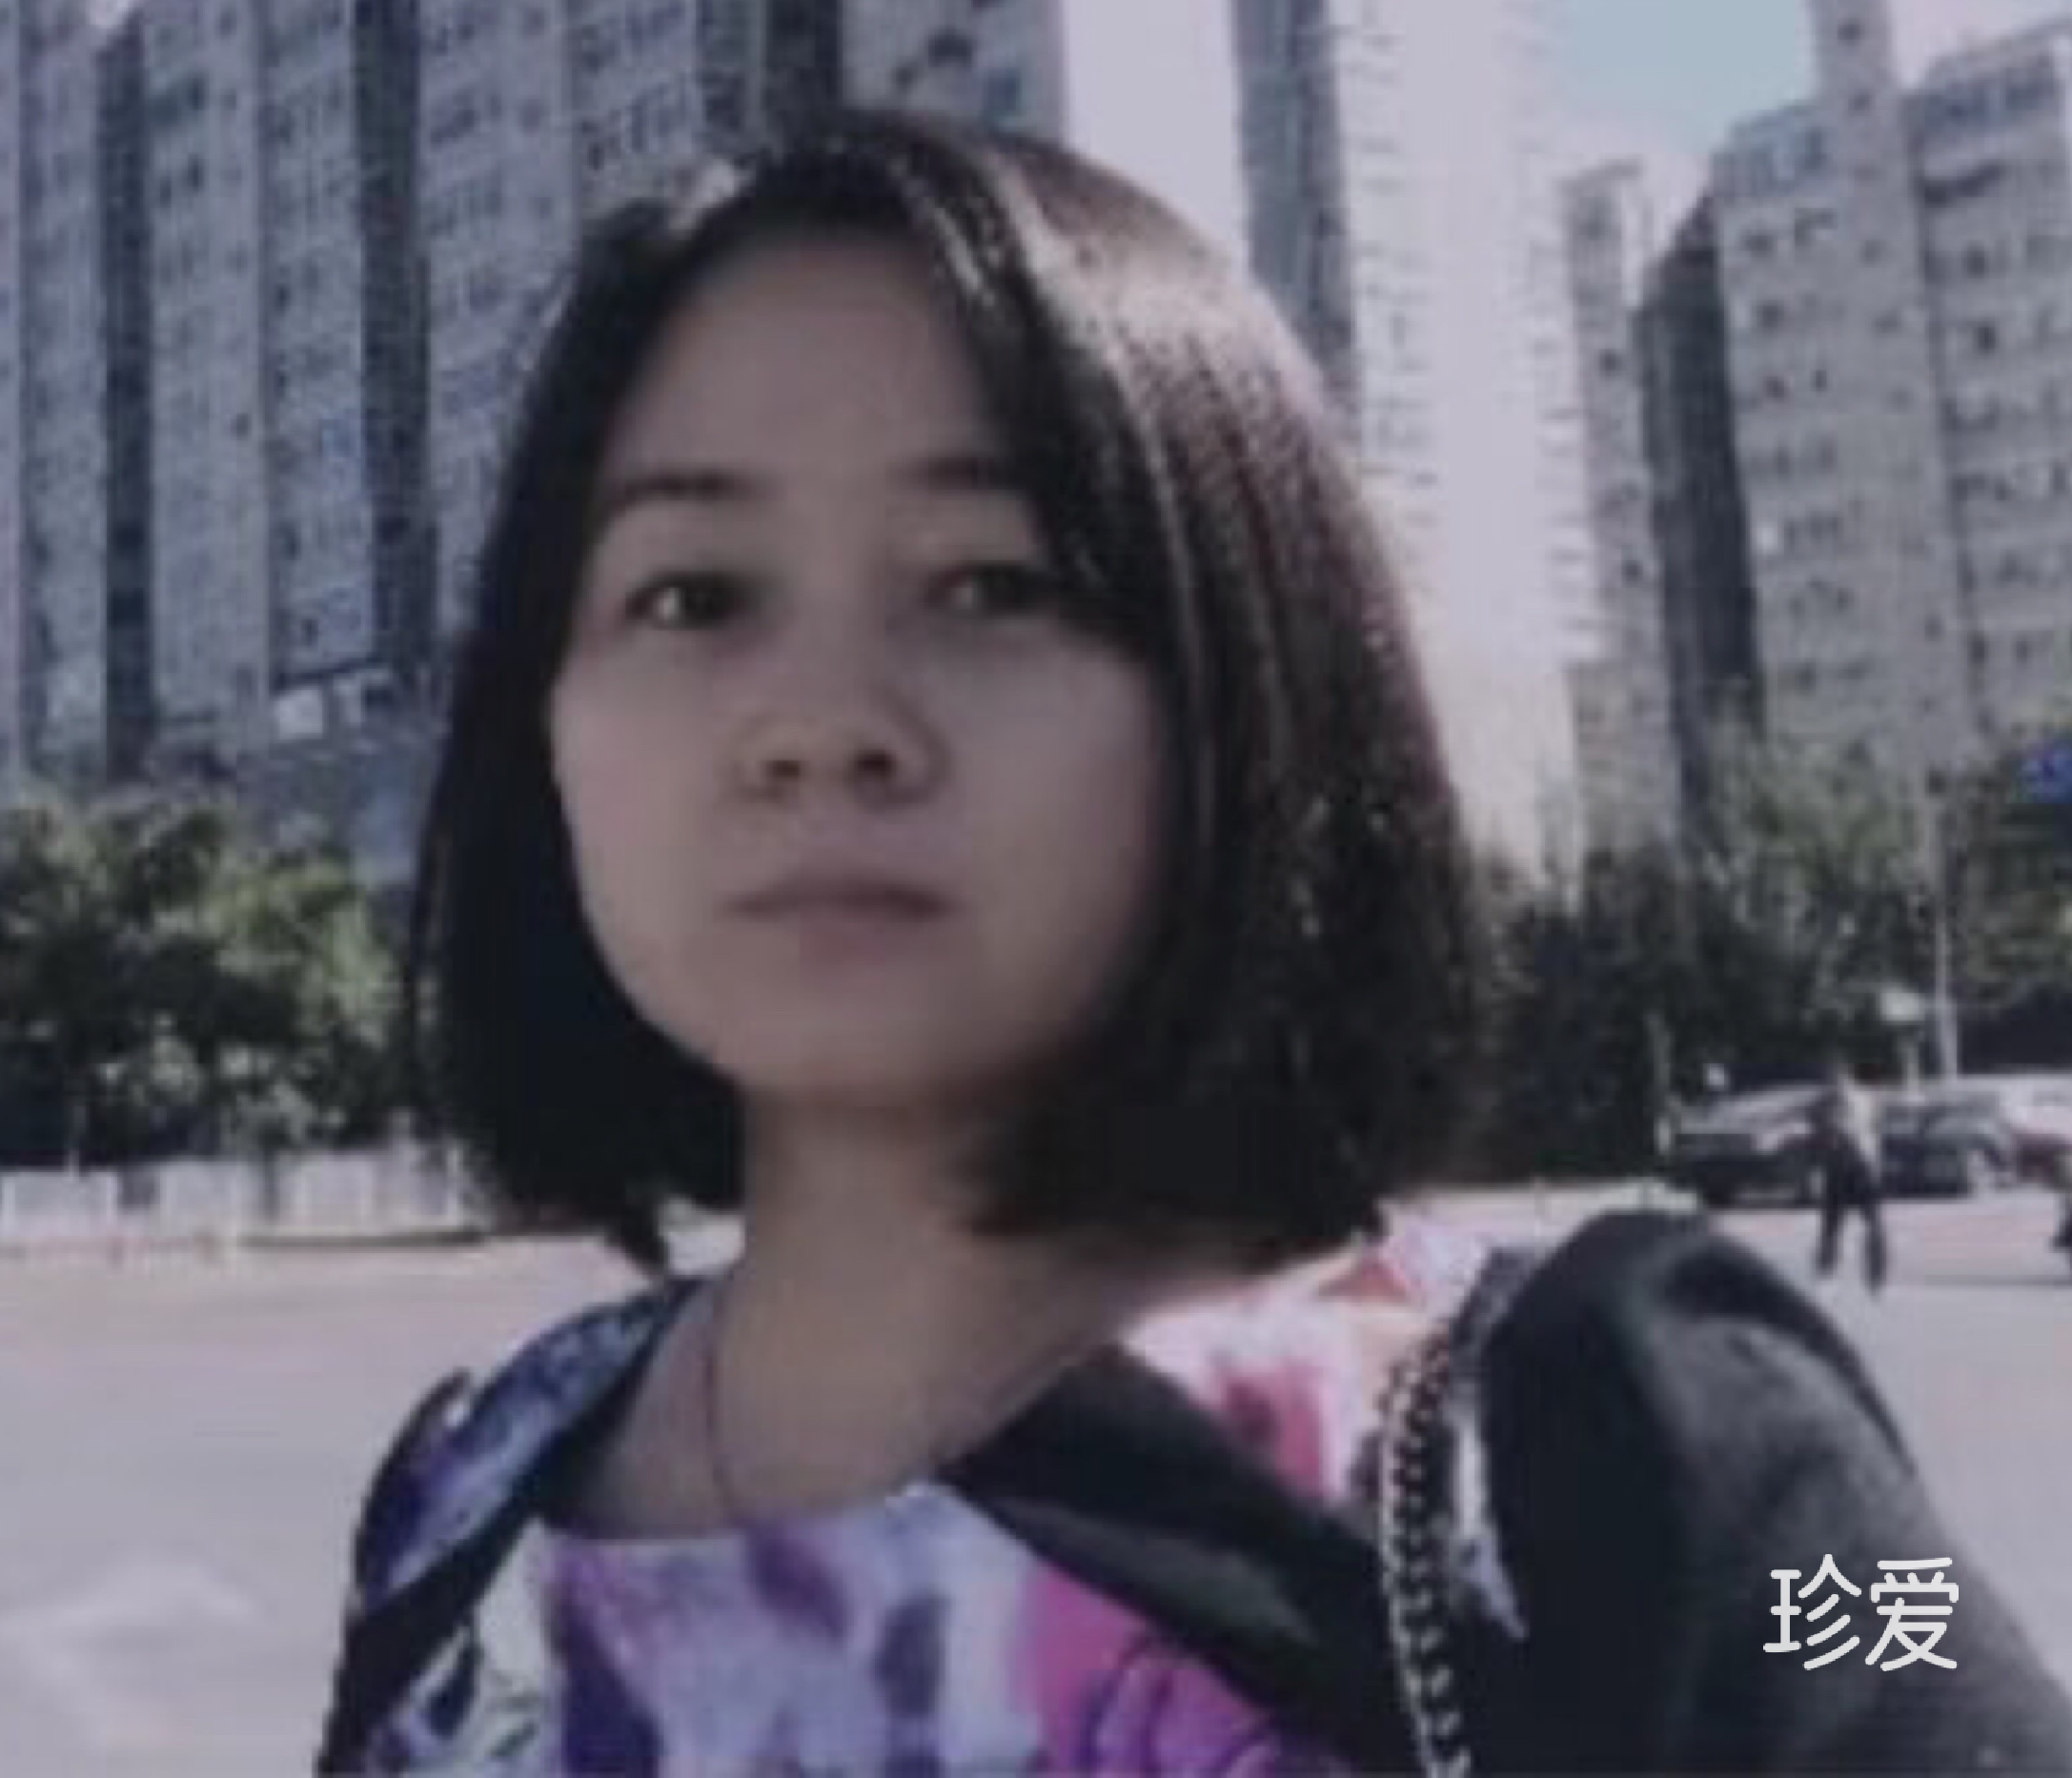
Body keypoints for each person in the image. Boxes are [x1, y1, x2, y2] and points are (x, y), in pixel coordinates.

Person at [318, 113, 2072, 1773]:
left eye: (992, 583)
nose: (822, 722)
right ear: (545, 730)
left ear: (1250, 695)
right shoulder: (464, 1516)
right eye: (692, 595)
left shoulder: (1644, 1455)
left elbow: (1909, 1665)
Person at [1810, 1056, 1891, 1292]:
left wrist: (1874, 1159)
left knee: (1862, 1222)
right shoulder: (1833, 1103)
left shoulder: (1846, 1101)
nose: (1834, 1082)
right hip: (1849, 1166)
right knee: (1838, 1223)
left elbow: (1872, 1131)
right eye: (1831, 1078)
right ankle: (1833, 1271)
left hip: (1853, 1166)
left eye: (1835, 1077)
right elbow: (1820, 1139)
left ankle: (1869, 1272)